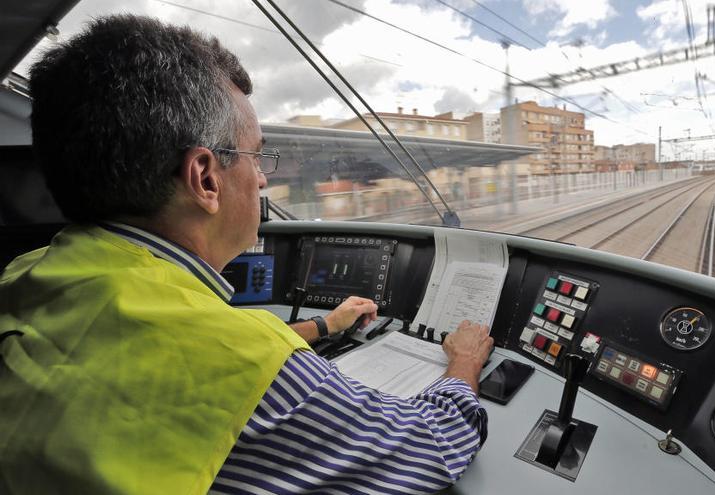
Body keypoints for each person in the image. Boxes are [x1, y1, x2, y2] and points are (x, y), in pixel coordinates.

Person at [0, 15, 493, 494]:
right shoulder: (240, 357)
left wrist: (325, 325)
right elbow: (432, 447)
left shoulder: (27, 276)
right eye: (257, 156)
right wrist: (464, 364)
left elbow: (165, 349)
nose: (262, 179)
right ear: (206, 178)